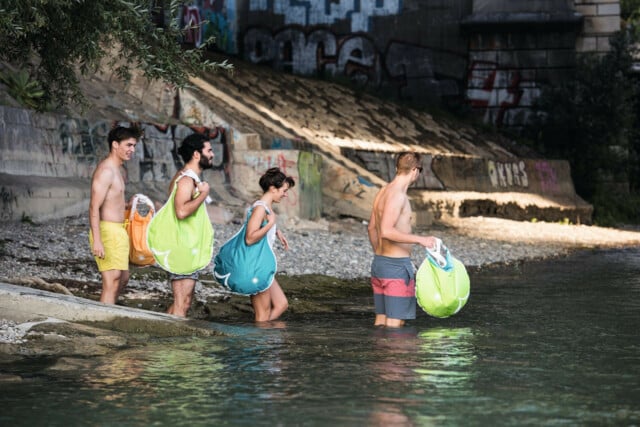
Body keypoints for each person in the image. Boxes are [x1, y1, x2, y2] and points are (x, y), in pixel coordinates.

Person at [367, 152, 436, 327]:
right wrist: (420, 240)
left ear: (398, 167)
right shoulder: (398, 196)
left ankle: (379, 354)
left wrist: (380, 254)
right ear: (415, 170)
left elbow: (371, 228)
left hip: (380, 264)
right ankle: (395, 356)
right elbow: (386, 231)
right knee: (395, 326)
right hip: (396, 268)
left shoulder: (383, 191)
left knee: (381, 321)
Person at [89, 125, 142, 304]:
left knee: (123, 278)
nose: (132, 150)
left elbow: (111, 201)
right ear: (115, 145)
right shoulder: (106, 171)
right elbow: (94, 207)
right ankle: (102, 324)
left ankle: (108, 312)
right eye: (128, 145)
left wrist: (129, 204)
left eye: (134, 146)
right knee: (111, 281)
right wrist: (97, 240)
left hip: (119, 231)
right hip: (107, 231)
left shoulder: (117, 170)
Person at [166, 133, 214, 317]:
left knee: (183, 303)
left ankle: (164, 340)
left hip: (188, 248)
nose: (212, 154)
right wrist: (203, 194)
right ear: (196, 154)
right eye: (209, 150)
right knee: (182, 304)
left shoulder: (191, 178)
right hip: (181, 249)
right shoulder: (186, 180)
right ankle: (174, 344)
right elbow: (181, 212)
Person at [245, 167, 295, 322]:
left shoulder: (265, 208)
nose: (285, 194)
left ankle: (264, 338)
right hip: (256, 265)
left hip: (263, 265)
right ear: (273, 188)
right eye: (284, 190)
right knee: (263, 315)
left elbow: (261, 225)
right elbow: (250, 238)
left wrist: (275, 230)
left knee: (281, 304)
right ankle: (259, 343)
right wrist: (270, 225)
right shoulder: (260, 208)